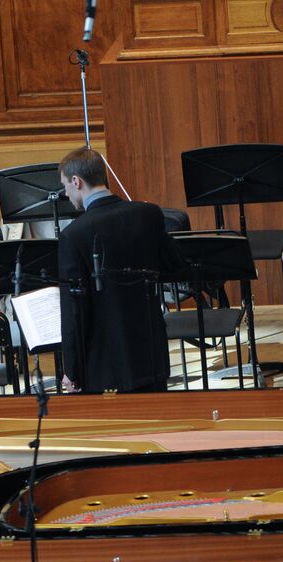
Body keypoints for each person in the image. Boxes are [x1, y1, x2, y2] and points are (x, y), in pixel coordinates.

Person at [56, 147, 175, 393]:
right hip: (151, 355)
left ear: (76, 182)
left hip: (105, 366)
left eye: (65, 185)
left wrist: (72, 369)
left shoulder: (73, 235)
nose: (66, 193)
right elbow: (171, 265)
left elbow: (74, 311)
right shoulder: (149, 214)